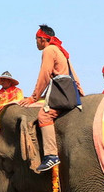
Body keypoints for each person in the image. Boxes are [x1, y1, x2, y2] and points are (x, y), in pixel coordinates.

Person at [20, 25, 83, 173]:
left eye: (36, 40)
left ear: (42, 39)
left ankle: (51, 155)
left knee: (44, 115)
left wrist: (33, 97)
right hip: (70, 89)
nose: (36, 43)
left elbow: (45, 74)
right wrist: (80, 92)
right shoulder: (60, 50)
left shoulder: (49, 50)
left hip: (60, 89)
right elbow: (73, 73)